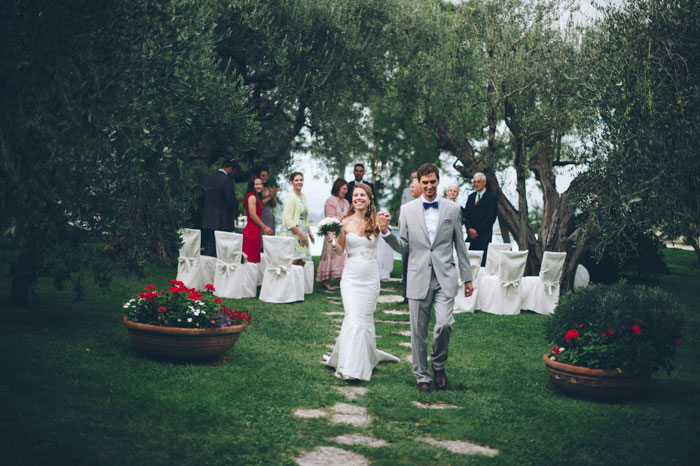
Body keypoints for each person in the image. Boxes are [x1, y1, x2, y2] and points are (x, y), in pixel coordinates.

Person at [382, 163, 473, 392]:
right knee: (418, 331)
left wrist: (467, 277)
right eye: (425, 182)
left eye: (433, 181)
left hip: (445, 276)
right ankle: (422, 375)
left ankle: (439, 365)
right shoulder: (407, 210)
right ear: (419, 183)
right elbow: (403, 247)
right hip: (417, 276)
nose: (430, 186)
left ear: (438, 181)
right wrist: (386, 233)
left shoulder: (452, 209)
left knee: (444, 325)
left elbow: (460, 246)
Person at [323, 183, 399, 381]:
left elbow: (390, 238)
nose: (358, 198)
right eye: (355, 195)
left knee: (364, 320)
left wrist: (385, 225)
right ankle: (352, 368)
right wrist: (332, 241)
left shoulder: (376, 220)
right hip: (351, 278)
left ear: (369, 199)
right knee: (354, 318)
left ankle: (365, 358)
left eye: (362, 195)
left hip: (370, 278)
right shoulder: (344, 222)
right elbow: (340, 250)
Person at [316, 178, 350, 291]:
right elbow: (329, 217)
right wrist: (344, 219)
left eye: (346, 189)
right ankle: (326, 281)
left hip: (343, 233)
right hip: (332, 232)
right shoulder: (331, 200)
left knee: (342, 256)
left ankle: (341, 279)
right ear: (338, 187)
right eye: (344, 189)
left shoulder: (346, 202)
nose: (346, 191)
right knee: (330, 255)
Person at [201, 160, 238, 257]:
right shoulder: (227, 181)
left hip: (209, 219)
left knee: (211, 248)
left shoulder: (209, 179)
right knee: (221, 250)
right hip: (223, 222)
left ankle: (208, 269)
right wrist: (236, 201)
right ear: (230, 169)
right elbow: (230, 203)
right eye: (234, 171)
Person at [279, 172, 314, 266]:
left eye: (301, 180)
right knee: (294, 262)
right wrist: (300, 234)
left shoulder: (303, 196)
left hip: (302, 232)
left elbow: (305, 218)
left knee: (302, 262)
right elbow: (287, 219)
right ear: (292, 182)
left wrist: (309, 233)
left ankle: (299, 281)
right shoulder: (291, 197)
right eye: (296, 180)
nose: (299, 182)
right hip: (292, 233)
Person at [463, 172, 498, 266]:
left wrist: (477, 231)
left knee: (481, 264)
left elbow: (491, 218)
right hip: (470, 236)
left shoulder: (491, 198)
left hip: (483, 237)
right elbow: (466, 216)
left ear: (484, 182)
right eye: (474, 182)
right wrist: (469, 229)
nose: (476, 184)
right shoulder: (471, 197)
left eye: (478, 182)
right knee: (467, 263)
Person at [399, 175, 422, 305]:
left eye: (412, 187)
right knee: (405, 268)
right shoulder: (406, 207)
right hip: (406, 241)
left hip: (419, 245)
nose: (410, 189)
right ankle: (406, 296)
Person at [242, 176, 274, 263]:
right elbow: (253, 215)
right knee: (249, 262)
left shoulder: (256, 197)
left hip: (256, 231)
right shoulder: (252, 197)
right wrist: (265, 227)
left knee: (253, 262)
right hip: (251, 232)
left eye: (260, 184)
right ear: (252, 185)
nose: (259, 186)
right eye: (256, 184)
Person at [259, 168, 279, 236]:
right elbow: (258, 203)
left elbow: (274, 204)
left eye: (266, 175)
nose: (265, 177)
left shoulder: (269, 188)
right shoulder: (257, 188)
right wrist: (269, 197)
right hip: (260, 217)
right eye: (263, 175)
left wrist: (272, 195)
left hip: (269, 217)